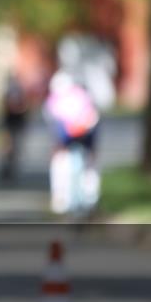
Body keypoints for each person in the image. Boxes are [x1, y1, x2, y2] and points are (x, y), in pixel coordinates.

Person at [44, 71, 101, 213]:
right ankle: (69, 198)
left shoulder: (70, 99)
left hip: (82, 133)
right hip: (72, 134)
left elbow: (90, 119)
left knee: (82, 164)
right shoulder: (62, 99)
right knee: (65, 163)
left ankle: (84, 199)